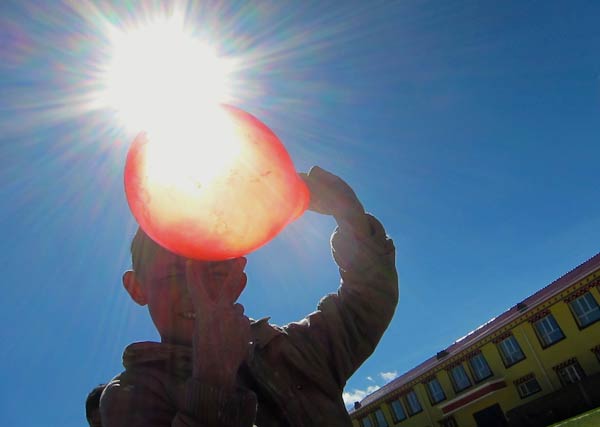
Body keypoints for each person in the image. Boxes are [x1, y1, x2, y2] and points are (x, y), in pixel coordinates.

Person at [93, 166, 398, 426]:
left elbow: (367, 302)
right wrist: (214, 380)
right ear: (137, 288)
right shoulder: (131, 396)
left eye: (212, 271)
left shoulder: (293, 351)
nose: (196, 293)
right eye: (175, 276)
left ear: (237, 277)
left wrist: (350, 216)